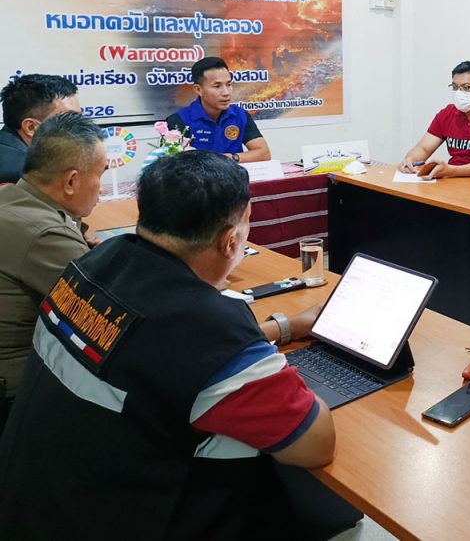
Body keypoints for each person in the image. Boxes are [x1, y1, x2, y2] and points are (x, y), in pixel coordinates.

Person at [0, 151, 336, 538]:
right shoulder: (208, 327)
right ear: (231, 241)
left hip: (36, 504)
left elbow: (156, 349)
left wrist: (285, 327)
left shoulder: (99, 261)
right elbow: (315, 444)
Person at [0, 113, 104, 431]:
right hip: (19, 395)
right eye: (100, 174)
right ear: (71, 181)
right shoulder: (45, 234)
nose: (101, 188)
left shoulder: (11, 197)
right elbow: (110, 310)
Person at [398, 60, 470, 179]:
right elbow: (424, 148)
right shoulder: (447, 113)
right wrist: (411, 160)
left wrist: (451, 171)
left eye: (466, 87)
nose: (459, 93)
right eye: (455, 87)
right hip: (452, 180)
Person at [166, 57, 271, 163]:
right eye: (217, 86)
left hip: (233, 172)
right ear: (198, 90)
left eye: (229, 85)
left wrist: (230, 158)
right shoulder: (179, 120)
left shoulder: (240, 115)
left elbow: (264, 153)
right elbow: (177, 164)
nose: (226, 92)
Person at [0, 73, 82, 183]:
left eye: (79, 118)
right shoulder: (23, 174)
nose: (79, 125)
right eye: (69, 118)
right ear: (31, 127)